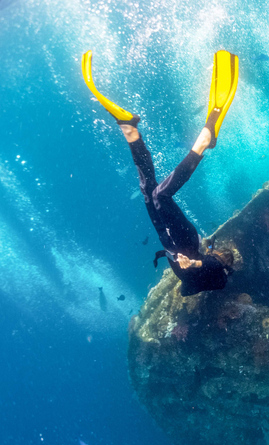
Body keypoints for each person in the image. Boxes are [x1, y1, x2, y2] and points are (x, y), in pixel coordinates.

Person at [82, 50, 239, 296]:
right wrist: (195, 263)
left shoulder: (199, 281)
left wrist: (189, 264)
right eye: (222, 259)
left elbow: (187, 287)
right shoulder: (217, 276)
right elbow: (211, 267)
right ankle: (203, 143)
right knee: (160, 197)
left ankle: (131, 132)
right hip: (185, 240)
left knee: (147, 190)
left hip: (167, 238)